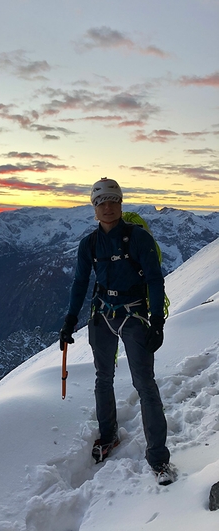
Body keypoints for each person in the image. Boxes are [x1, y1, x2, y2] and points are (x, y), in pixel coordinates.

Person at [60, 178, 174, 485]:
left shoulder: (137, 238)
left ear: (121, 204)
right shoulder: (90, 244)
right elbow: (80, 282)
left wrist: (157, 320)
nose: (108, 207)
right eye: (101, 203)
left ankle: (159, 459)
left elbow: (154, 278)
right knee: (104, 378)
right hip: (104, 315)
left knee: (145, 384)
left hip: (133, 314)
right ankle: (108, 436)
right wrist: (70, 320)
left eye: (113, 201)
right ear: (94, 208)